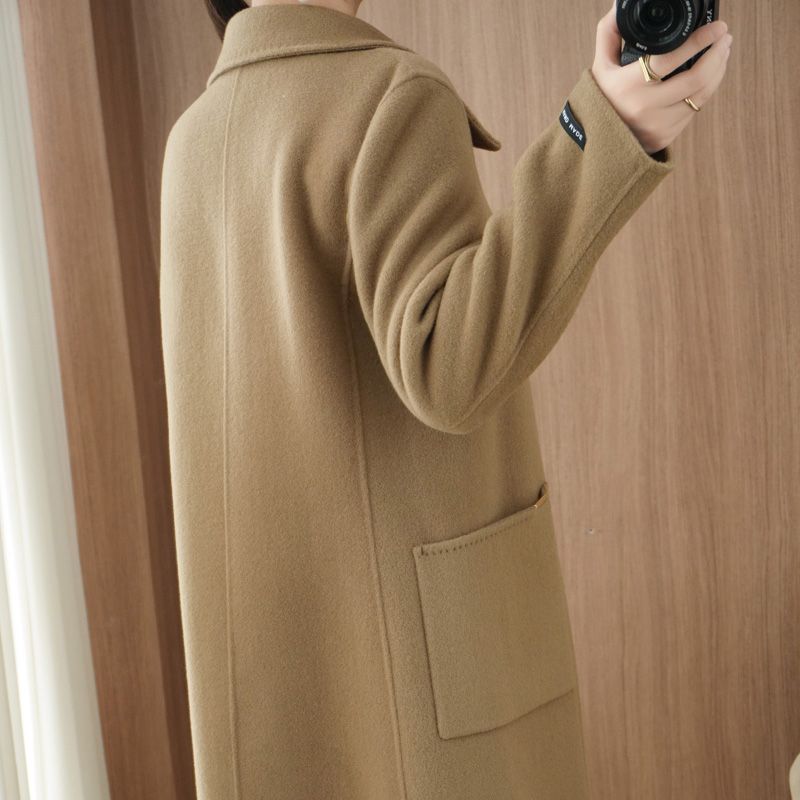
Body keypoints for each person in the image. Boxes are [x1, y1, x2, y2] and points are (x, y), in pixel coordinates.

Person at [159, 2, 732, 799]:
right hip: (428, 715)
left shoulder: (194, 140)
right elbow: (447, 367)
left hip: (302, 715)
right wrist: (605, 131)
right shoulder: (383, 95)